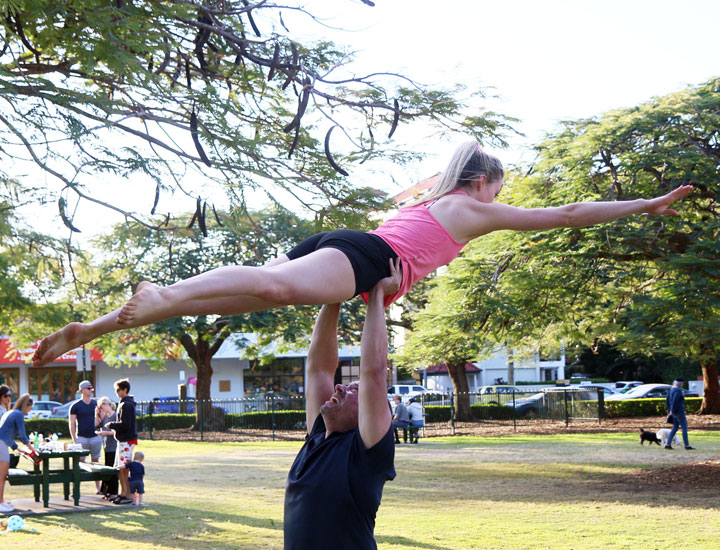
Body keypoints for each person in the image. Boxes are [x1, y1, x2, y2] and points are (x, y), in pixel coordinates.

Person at [31, 142, 693, 367]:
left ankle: (88, 330)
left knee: (253, 295)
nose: (503, 198)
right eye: (501, 187)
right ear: (484, 182)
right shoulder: (472, 208)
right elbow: (570, 214)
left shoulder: (424, 203)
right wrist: (644, 203)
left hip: (348, 253)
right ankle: (165, 293)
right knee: (269, 288)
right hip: (365, 258)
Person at [283, 260, 399, 550]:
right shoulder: (317, 438)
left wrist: (377, 296)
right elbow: (319, 366)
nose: (340, 386)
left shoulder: (367, 456)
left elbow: (374, 371)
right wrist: (334, 291)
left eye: (354, 390)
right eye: (347, 385)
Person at [0, 394, 35, 513]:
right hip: (1, 445)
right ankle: (0, 503)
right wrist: (33, 450)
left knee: (1, 476)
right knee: (2, 476)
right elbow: (23, 436)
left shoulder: (11, 412)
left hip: (3, 443)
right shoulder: (19, 414)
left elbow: (6, 434)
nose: (29, 411)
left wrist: (18, 449)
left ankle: (1, 502)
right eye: (30, 408)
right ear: (26, 405)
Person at [105, 379, 137, 505]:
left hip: (127, 440)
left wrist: (111, 425)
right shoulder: (123, 404)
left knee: (125, 468)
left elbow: (125, 424)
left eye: (118, 390)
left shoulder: (127, 405)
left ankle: (128, 495)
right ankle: (123, 493)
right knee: (120, 468)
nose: (116, 392)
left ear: (125, 390)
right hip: (123, 440)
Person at [69, 380, 103, 492]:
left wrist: (99, 412)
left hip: (95, 437)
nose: (90, 390)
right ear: (82, 390)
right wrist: (75, 439)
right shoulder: (76, 406)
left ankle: (98, 488)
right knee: (79, 464)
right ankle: (76, 489)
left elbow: (101, 420)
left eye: (91, 388)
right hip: (82, 438)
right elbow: (72, 423)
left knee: (95, 463)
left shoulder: (96, 404)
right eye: (88, 388)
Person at [95, 396, 119, 500]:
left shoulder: (115, 416)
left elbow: (116, 431)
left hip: (114, 446)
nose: (102, 409)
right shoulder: (105, 417)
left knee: (113, 470)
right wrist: (97, 413)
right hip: (106, 446)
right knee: (107, 468)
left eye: (102, 407)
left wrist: (105, 433)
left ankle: (114, 492)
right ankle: (107, 491)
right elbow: (96, 425)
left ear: (106, 404)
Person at [665, 378, 694, 451]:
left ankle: (668, 444)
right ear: (681, 384)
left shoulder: (671, 389)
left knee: (675, 428)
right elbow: (675, 401)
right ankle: (686, 445)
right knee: (684, 427)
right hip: (679, 411)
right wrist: (673, 410)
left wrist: (670, 410)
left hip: (673, 412)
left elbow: (667, 400)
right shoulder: (679, 390)